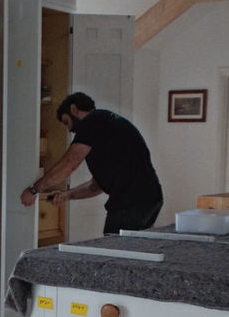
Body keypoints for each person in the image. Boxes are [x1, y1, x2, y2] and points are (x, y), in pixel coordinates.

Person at [20, 92, 163, 234]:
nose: (70, 129)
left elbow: (68, 164)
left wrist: (34, 190)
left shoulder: (92, 122)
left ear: (74, 109)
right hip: (150, 199)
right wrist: (67, 195)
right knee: (132, 253)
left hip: (130, 203)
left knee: (112, 251)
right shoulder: (107, 125)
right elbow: (95, 186)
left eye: (66, 122)